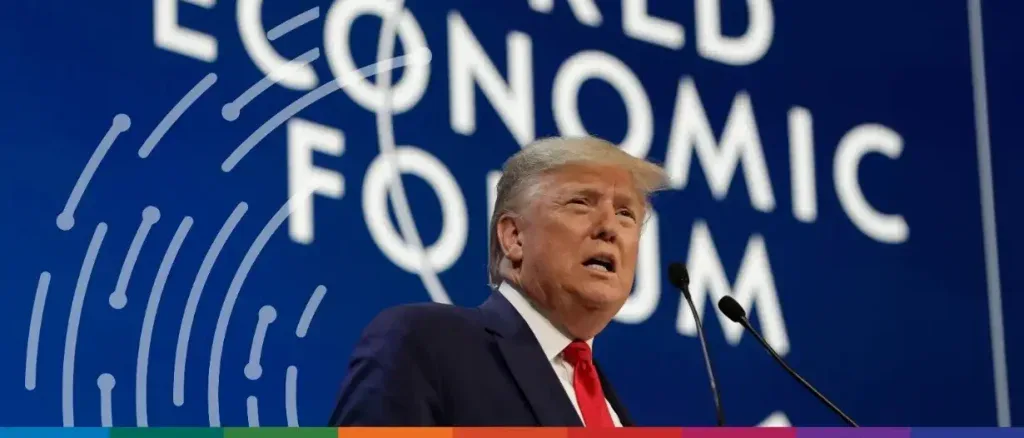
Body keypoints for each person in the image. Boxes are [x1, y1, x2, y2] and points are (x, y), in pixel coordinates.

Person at [328, 136, 668, 427]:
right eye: (581, 203)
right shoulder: (423, 344)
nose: (610, 227)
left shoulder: (616, 412)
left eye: (626, 214)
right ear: (515, 237)